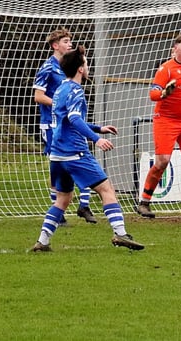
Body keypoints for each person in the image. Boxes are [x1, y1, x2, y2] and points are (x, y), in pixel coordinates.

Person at [32, 45, 144, 252]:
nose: (88, 65)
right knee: (106, 189)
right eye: (86, 62)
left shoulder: (59, 90)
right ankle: (120, 233)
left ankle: (43, 241)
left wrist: (98, 127)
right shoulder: (76, 90)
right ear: (80, 69)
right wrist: (96, 138)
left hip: (57, 154)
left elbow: (66, 119)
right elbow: (74, 119)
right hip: (75, 152)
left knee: (62, 199)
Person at [137, 32, 181, 218]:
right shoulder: (166, 69)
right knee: (162, 161)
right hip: (166, 120)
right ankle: (144, 202)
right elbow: (153, 94)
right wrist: (163, 94)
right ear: (174, 49)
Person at [33, 28, 96, 224]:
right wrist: (61, 104)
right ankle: (58, 213)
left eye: (70, 41)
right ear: (55, 45)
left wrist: (83, 59)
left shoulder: (69, 65)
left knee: (81, 154)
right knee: (59, 166)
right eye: (66, 41)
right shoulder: (47, 67)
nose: (70, 44)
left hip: (70, 121)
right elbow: (38, 96)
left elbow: (85, 76)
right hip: (52, 124)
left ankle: (84, 204)